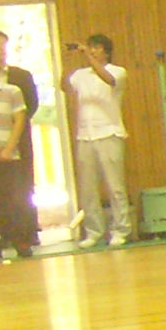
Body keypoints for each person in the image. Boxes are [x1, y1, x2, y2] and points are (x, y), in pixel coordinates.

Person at [66, 34, 132, 247]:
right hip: (85, 135)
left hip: (110, 133)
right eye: (90, 47)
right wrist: (67, 61)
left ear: (107, 51)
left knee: (115, 186)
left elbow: (108, 80)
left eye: (96, 48)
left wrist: (88, 56)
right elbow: (64, 85)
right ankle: (94, 231)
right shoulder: (80, 74)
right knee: (88, 188)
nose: (92, 51)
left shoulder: (117, 71)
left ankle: (120, 230)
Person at [0, 46, 26, 257]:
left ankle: (21, 241)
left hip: (7, 157)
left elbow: (19, 121)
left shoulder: (12, 91)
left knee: (12, 200)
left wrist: (9, 148)